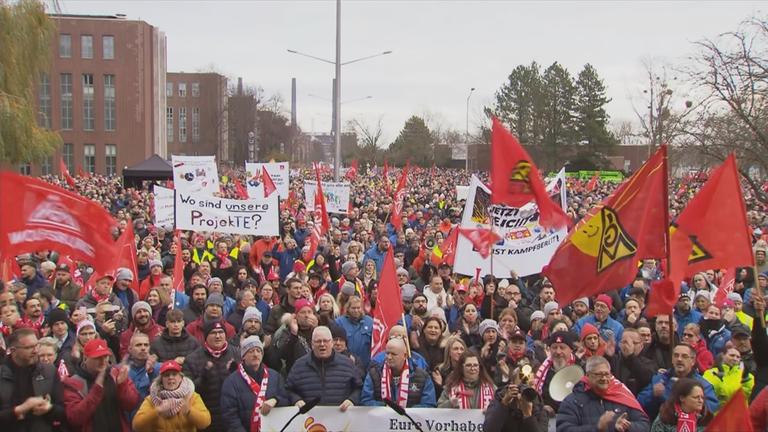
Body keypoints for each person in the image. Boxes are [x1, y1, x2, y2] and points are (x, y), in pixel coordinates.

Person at [62, 338, 140, 432]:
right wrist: (96, 390)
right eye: (97, 358)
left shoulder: (116, 374)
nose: (103, 361)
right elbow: (75, 418)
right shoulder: (73, 383)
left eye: (105, 357)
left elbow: (131, 404)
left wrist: (122, 386)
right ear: (85, 358)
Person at [557, 356, 649, 432]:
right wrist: (597, 428)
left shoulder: (622, 394)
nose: (604, 378)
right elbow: (564, 429)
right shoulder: (572, 401)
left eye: (607, 374)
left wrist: (628, 427)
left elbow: (644, 425)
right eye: (599, 374)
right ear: (588, 376)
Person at [0, 328, 66, 431]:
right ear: (13, 350)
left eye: (36, 345)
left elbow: (63, 412)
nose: (35, 351)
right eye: (29, 347)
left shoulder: (49, 371)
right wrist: (17, 411)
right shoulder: (2, 375)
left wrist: (49, 409)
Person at [285, 326, 362, 410]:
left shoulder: (347, 363)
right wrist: (296, 400)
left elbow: (359, 388)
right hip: (308, 419)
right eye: (318, 341)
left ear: (332, 343)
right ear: (312, 344)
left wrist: (352, 400)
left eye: (325, 341)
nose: (322, 344)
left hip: (340, 418)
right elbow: (287, 390)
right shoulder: (299, 365)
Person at [221, 336, 288, 431]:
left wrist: (276, 400)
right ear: (243, 356)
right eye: (251, 351)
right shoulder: (231, 382)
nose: (256, 354)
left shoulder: (275, 376)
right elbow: (229, 416)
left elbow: (286, 399)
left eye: (258, 351)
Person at [182, 320, 239, 432]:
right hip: (207, 419)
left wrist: (236, 373)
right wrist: (204, 378)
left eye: (220, 332)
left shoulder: (237, 354)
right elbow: (188, 392)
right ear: (206, 336)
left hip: (232, 418)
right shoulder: (192, 359)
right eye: (213, 333)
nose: (218, 336)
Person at [637, 343, 719, 420]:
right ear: (672, 359)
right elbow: (640, 403)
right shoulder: (659, 380)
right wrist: (653, 395)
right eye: (676, 356)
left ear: (693, 361)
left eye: (684, 356)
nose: (679, 359)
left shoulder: (703, 385)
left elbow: (712, 408)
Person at [132, 360, 211, 432]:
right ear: (161, 379)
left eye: (174, 374)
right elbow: (137, 426)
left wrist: (189, 411)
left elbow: (205, 422)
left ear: (181, 378)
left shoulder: (191, 396)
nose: (170, 377)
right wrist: (157, 411)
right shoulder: (152, 399)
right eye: (166, 375)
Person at [361, 337, 437, 407]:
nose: (389, 357)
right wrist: (385, 407)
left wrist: (407, 411)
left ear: (405, 355)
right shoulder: (374, 374)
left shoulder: (422, 376)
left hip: (410, 421)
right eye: (387, 353)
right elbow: (366, 400)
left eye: (394, 354)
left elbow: (429, 404)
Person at [533, 331, 578, 413]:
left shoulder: (580, 367)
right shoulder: (543, 371)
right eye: (554, 347)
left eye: (562, 347)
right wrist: (542, 407)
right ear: (549, 349)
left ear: (571, 349)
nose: (558, 352)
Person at [335, 296, 373, 370]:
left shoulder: (370, 322)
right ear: (348, 308)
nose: (356, 310)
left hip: (366, 365)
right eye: (353, 308)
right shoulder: (339, 322)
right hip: (345, 364)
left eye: (358, 308)